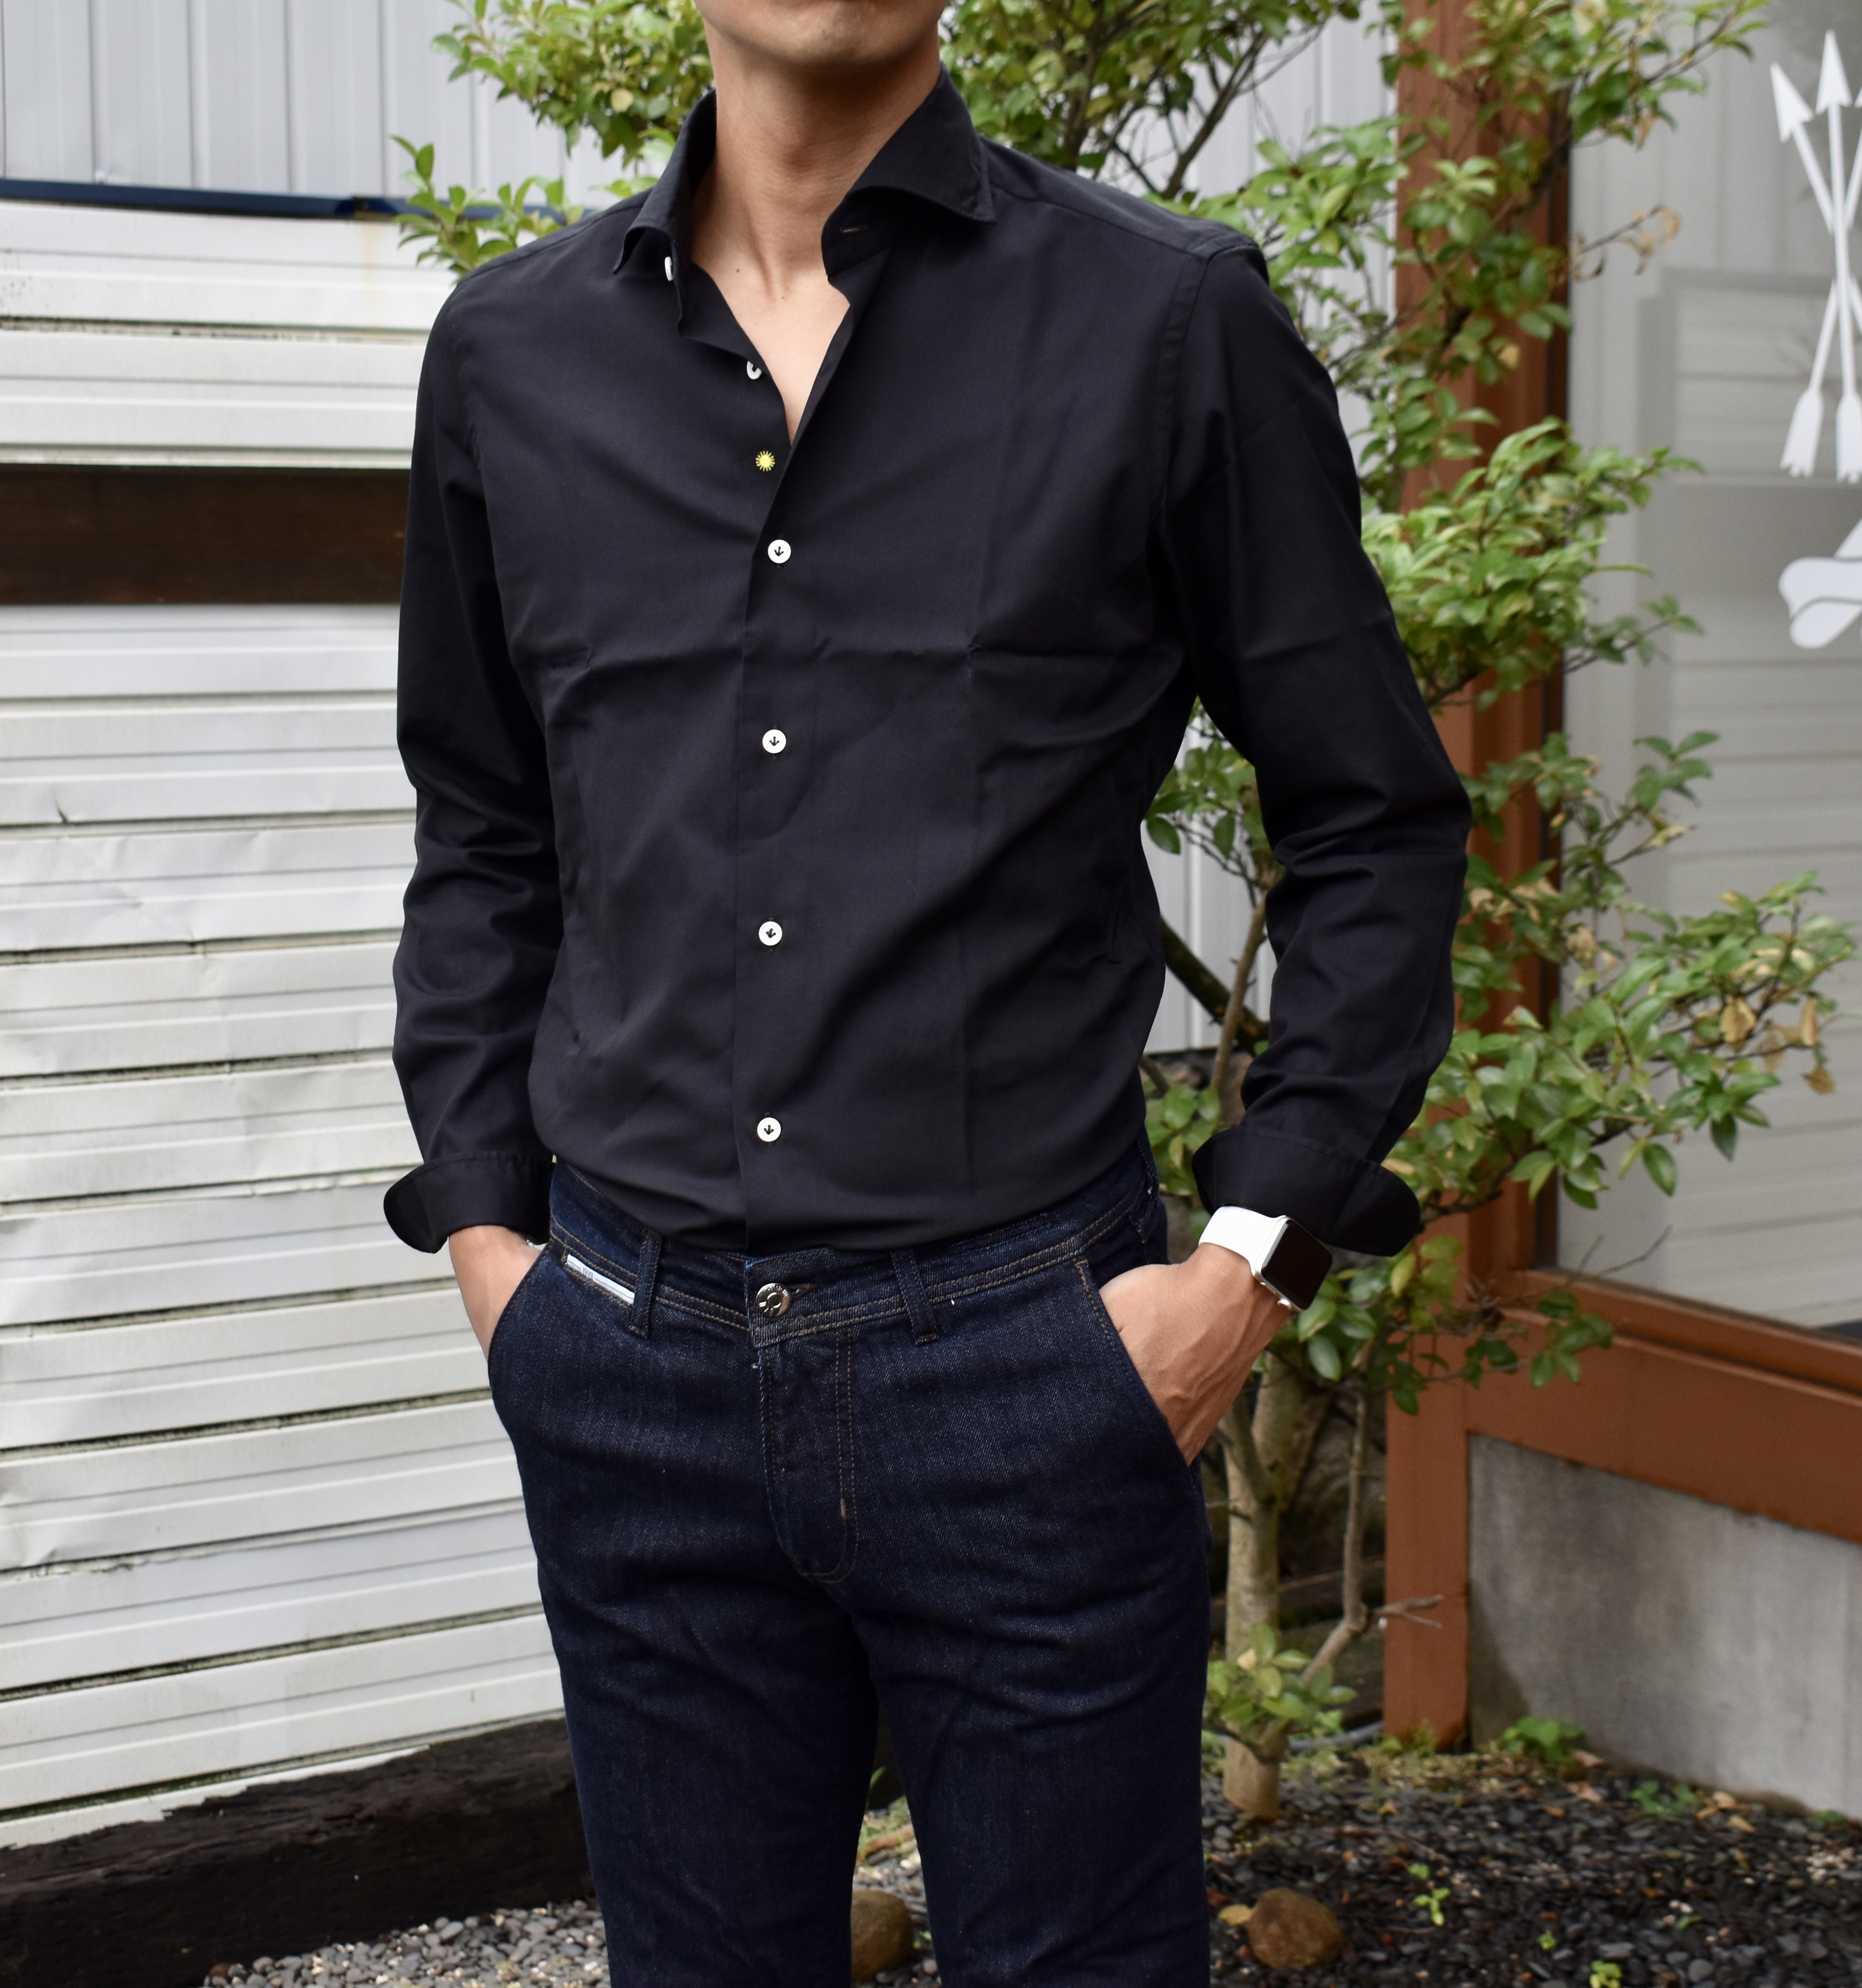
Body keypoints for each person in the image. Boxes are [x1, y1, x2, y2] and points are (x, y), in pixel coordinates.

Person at [382, 0, 1470, 1976]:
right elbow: (482, 826)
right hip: (626, 1364)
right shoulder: (512, 352)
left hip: (1031, 1368)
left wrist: (1246, 1270)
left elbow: (1374, 820)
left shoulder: (1165, 323)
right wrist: (490, 1245)